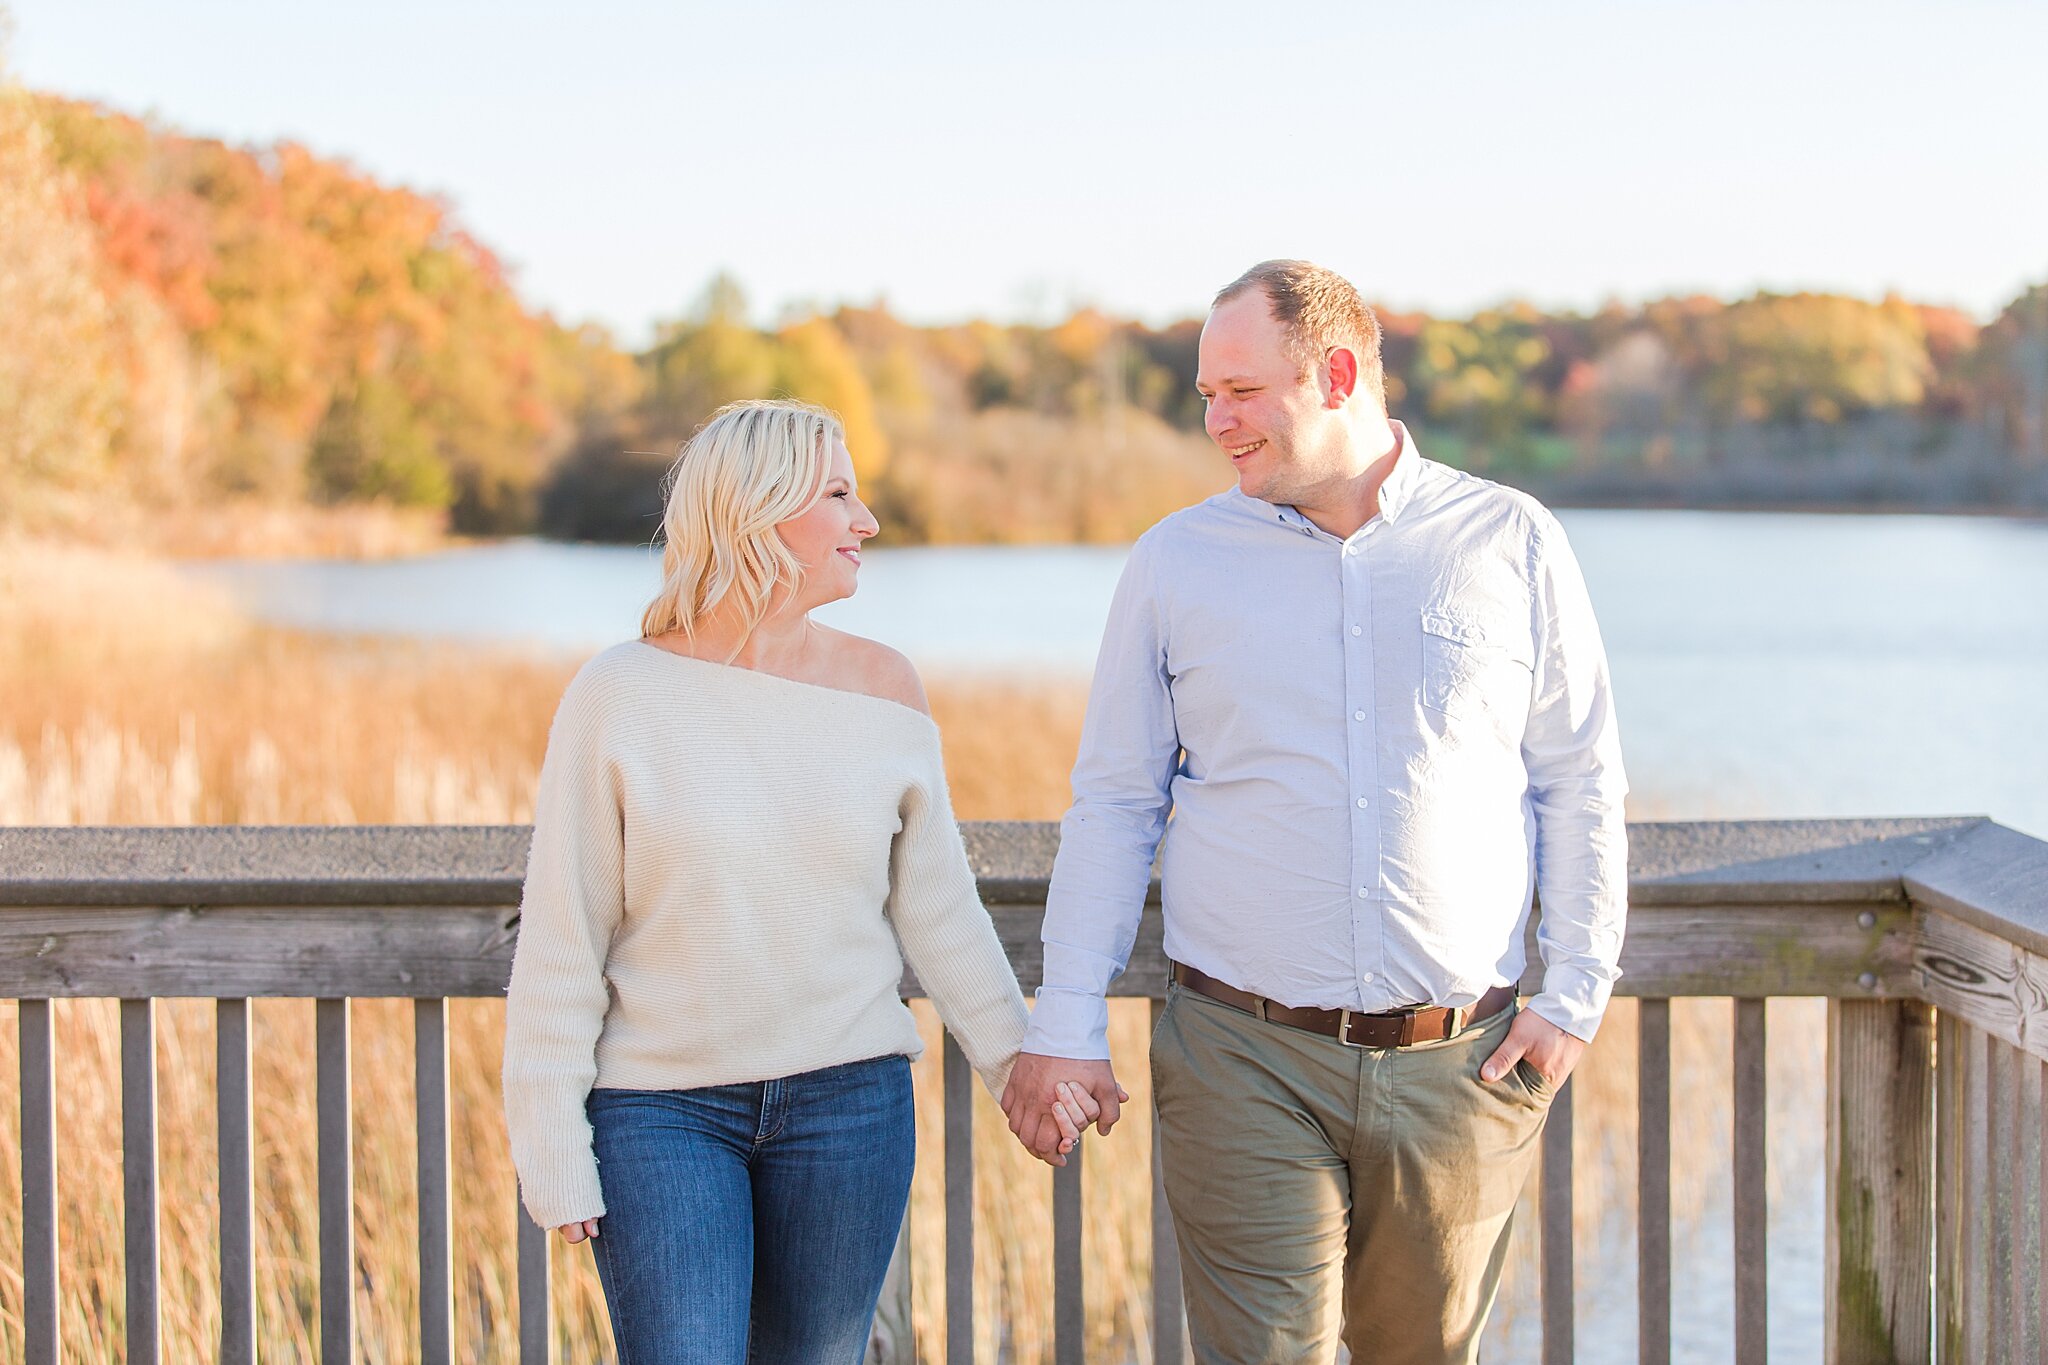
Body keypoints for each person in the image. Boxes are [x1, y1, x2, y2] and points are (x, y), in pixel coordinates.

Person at [1001, 261, 1629, 1363]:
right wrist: (1064, 1022)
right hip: (1242, 1056)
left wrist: (1571, 997)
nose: (1215, 422)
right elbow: (1111, 803)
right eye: (1204, 396)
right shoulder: (1175, 562)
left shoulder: (1509, 542)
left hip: (1459, 1065)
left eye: (1238, 392)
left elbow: (1576, 780)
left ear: (1336, 373)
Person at [501, 398, 1095, 1364]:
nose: (866, 521)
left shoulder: (888, 689)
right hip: (661, 1115)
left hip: (847, 1109)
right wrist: (552, 1146)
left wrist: (1017, 1066)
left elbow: (940, 910)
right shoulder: (619, 693)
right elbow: (564, 942)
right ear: (758, 510)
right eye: (838, 495)